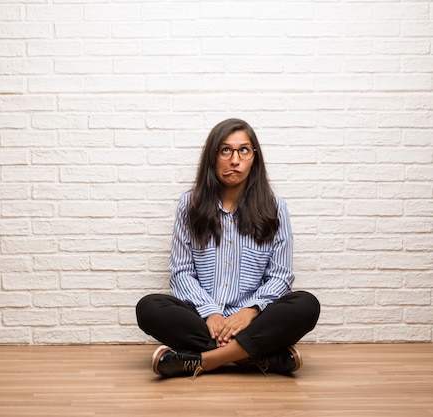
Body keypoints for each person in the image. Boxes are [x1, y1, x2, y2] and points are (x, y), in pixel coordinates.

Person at [136, 118, 321, 379]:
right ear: (213, 156)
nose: (235, 160)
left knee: (306, 305)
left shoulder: (275, 207)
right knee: (149, 308)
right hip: (203, 319)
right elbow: (181, 273)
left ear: (254, 158)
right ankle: (260, 357)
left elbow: (280, 277)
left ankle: (204, 360)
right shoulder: (189, 205)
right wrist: (210, 312)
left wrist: (249, 311)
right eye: (225, 150)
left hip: (254, 320)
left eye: (243, 150)